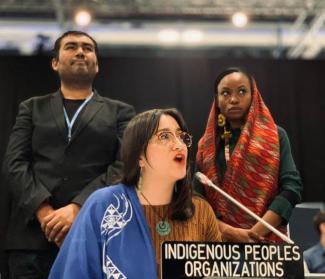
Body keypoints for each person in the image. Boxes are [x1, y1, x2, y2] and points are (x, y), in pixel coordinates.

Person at [2, 30, 135, 278]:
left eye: (87, 48)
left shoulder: (121, 112)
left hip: (93, 235)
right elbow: (14, 163)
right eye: (71, 47)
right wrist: (45, 213)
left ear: (97, 64)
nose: (81, 51)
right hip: (31, 238)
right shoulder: (31, 107)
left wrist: (78, 208)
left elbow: (123, 165)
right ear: (55, 62)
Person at [48, 108, 222, 279]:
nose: (179, 145)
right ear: (139, 156)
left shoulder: (200, 211)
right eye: (164, 136)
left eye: (182, 137)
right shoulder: (105, 205)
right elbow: (75, 271)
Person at [196, 67, 303, 243]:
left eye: (241, 91)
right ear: (216, 100)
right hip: (219, 246)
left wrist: (254, 233)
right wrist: (228, 231)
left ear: (254, 96)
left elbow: (291, 189)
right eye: (225, 93)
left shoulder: (276, 136)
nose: (233, 99)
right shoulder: (205, 146)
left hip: (267, 244)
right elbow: (196, 199)